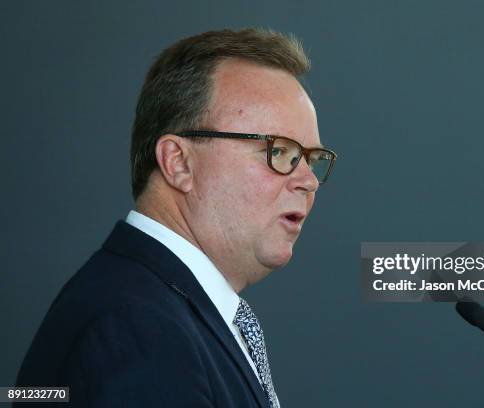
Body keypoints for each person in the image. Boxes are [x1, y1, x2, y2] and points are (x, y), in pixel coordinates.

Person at [14, 28, 337, 407]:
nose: (308, 181)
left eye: (312, 159)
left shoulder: (155, 307)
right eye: (280, 151)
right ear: (178, 162)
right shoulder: (134, 328)